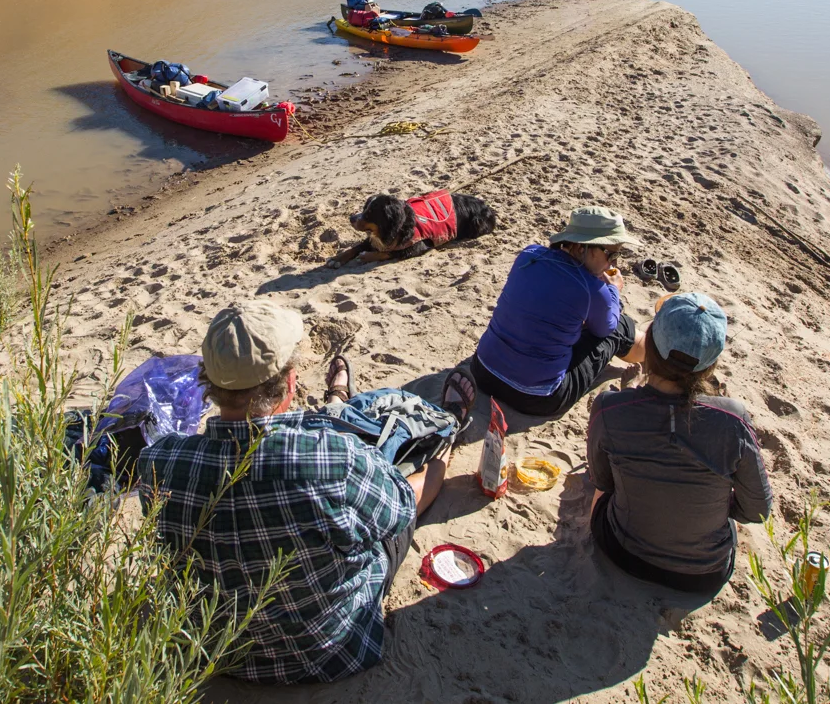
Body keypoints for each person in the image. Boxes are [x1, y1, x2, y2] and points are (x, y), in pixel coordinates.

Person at [135, 300, 462, 684]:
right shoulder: (333, 460)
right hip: (333, 649)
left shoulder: (160, 463)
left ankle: (339, 399)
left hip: (213, 651)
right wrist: (439, 464)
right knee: (392, 495)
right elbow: (402, 507)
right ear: (289, 384)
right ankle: (366, 410)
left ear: (208, 382)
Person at [586, 292, 773, 595]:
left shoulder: (609, 408)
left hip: (622, 554)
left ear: (652, 348)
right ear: (711, 364)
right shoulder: (733, 419)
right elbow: (758, 510)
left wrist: (629, 396)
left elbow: (602, 481)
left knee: (597, 482)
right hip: (704, 574)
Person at [470, 206, 644, 416]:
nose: (614, 262)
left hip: (482, 371)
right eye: (611, 254)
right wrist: (614, 291)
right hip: (536, 397)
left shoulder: (529, 255)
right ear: (582, 249)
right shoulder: (593, 290)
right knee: (621, 326)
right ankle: (655, 360)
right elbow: (604, 329)